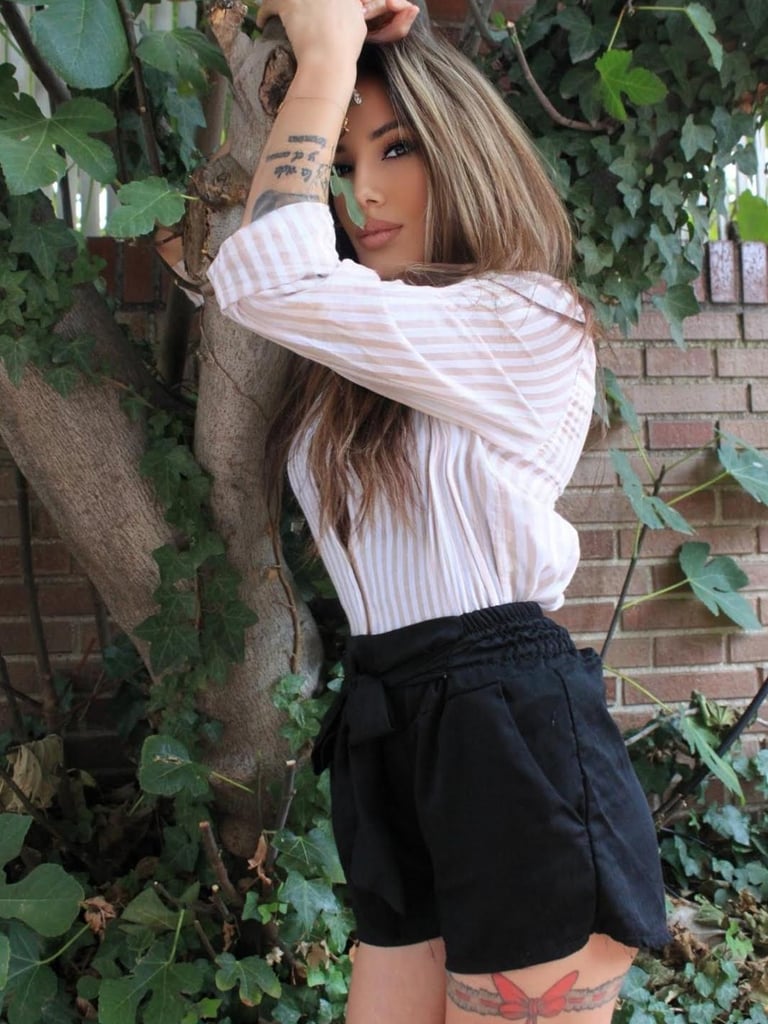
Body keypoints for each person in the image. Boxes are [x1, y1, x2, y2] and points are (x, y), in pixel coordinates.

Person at [207, 2, 669, 1021]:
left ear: (462, 150)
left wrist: (330, 52)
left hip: (508, 737)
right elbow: (264, 272)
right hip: (391, 727)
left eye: (396, 148)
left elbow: (264, 273)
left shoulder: (528, 316)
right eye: (342, 162)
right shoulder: (366, 360)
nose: (361, 191)